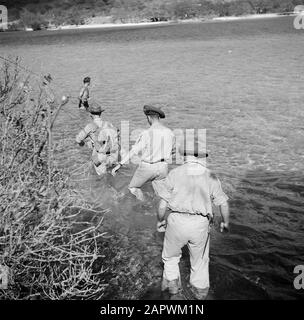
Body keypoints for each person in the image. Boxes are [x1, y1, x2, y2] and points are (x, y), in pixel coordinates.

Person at [155, 138, 230, 299]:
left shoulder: (175, 173)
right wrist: (225, 222)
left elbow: (162, 204)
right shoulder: (210, 175)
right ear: (200, 156)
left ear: (184, 155)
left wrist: (160, 220)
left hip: (176, 221)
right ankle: (199, 296)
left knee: (170, 258)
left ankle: (173, 292)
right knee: (200, 263)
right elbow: (223, 203)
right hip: (200, 224)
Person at [111, 104, 175, 201]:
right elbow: (173, 151)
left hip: (148, 167)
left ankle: (144, 204)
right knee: (161, 194)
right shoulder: (170, 132)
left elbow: (134, 151)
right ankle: (163, 208)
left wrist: (120, 164)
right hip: (163, 167)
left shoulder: (146, 133)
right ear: (158, 117)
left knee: (133, 188)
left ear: (149, 118)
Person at [75, 104, 118, 175]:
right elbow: (117, 134)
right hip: (112, 156)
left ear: (91, 115)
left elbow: (78, 140)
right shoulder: (109, 124)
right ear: (100, 113)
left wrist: (82, 144)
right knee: (111, 175)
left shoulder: (90, 126)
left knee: (102, 178)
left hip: (100, 157)